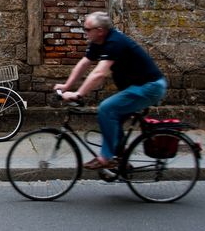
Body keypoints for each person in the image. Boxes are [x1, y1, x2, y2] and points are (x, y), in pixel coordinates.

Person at [54, 11, 167, 170]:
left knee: (107, 108)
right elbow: (84, 64)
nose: (85, 33)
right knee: (112, 119)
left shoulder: (114, 42)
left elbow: (99, 73)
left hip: (150, 87)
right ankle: (120, 159)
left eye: (87, 30)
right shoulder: (98, 42)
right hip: (138, 87)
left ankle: (106, 158)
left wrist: (78, 93)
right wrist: (66, 86)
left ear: (100, 30)